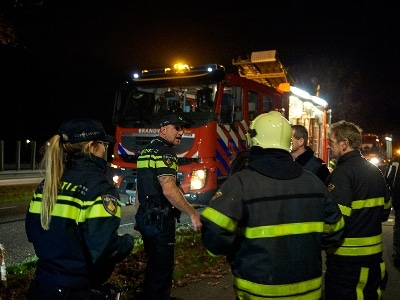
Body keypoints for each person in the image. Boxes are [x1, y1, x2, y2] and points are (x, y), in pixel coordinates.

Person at [200, 111, 345, 300]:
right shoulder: (314, 183)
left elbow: (214, 236)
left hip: (257, 291)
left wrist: (235, 254)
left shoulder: (241, 184)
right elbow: (335, 231)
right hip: (309, 292)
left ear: (253, 140)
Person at [25, 118, 134, 300]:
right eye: (103, 145)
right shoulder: (98, 186)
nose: (104, 151)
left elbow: (33, 232)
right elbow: (104, 248)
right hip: (76, 289)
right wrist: (127, 242)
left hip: (41, 286)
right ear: (91, 146)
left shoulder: (47, 184)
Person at [134, 114, 202, 300]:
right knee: (162, 270)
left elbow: (140, 187)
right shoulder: (166, 153)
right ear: (163, 129)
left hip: (146, 217)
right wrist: (192, 213)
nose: (181, 132)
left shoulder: (146, 151)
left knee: (153, 265)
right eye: (177, 128)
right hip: (160, 221)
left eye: (182, 128)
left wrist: (137, 215)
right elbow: (169, 190)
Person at [324, 120, 391, 300]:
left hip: (347, 265)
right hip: (374, 261)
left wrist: (323, 243)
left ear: (344, 144)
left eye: (331, 142)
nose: (329, 147)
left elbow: (335, 221)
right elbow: (385, 211)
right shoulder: (374, 171)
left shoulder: (342, 173)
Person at [385, 155, 400, 269]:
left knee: (399, 227)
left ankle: (398, 256)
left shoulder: (395, 161)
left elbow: (389, 179)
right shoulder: (395, 161)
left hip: (398, 199)